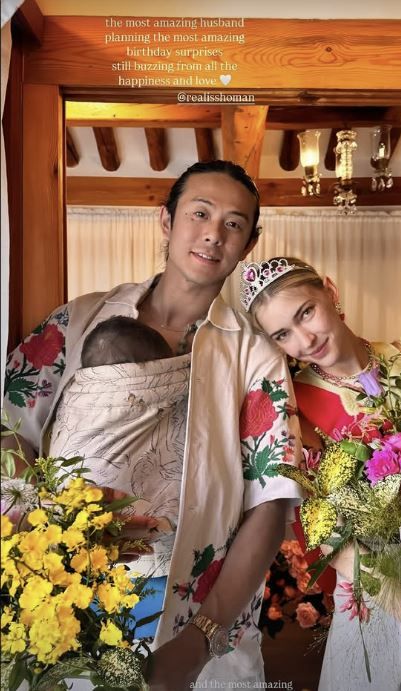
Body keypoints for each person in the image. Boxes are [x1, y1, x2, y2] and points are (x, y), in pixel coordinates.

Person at [2, 162, 303, 691]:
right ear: (166, 220)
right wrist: (54, 516)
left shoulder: (255, 356)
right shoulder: (80, 320)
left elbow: (271, 502)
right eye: (200, 213)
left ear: (249, 243)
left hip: (194, 612)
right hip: (64, 590)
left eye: (234, 223)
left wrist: (200, 640)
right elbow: (8, 424)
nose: (214, 233)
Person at [240, 256, 401, 691]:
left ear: (330, 291)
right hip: (380, 593)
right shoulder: (292, 409)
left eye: (306, 312)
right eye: (282, 334)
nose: (305, 340)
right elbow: (333, 542)